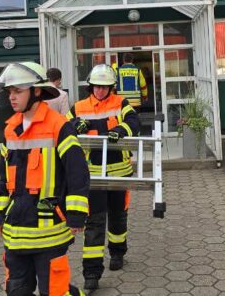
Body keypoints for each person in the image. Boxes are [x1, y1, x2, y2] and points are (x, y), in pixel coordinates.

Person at [0, 61, 89, 296]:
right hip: (16, 232)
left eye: (18, 91)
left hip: (49, 229)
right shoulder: (10, 129)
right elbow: (4, 180)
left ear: (36, 92)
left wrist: (76, 213)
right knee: (16, 290)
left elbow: (77, 171)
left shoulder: (59, 126)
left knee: (55, 292)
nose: (11, 97)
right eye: (10, 91)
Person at [66, 64, 140, 291]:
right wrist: (75, 124)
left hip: (119, 173)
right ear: (91, 86)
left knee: (118, 217)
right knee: (94, 222)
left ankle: (117, 253)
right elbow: (63, 128)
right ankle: (91, 274)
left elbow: (134, 122)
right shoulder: (79, 107)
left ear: (111, 87)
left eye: (105, 87)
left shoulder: (120, 103)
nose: (100, 90)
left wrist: (121, 130)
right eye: (97, 86)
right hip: (93, 175)